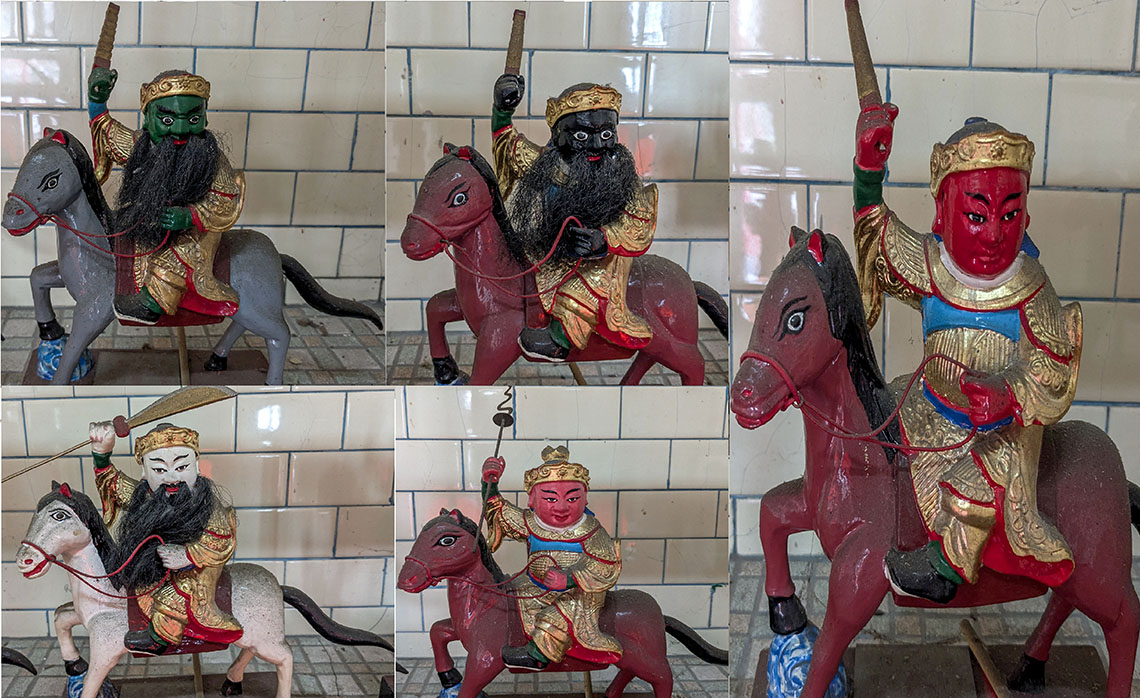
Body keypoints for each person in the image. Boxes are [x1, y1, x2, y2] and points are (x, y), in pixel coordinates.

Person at [852, 105, 1081, 603]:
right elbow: (879, 235)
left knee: (976, 482)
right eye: (976, 216)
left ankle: (946, 567)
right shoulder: (931, 267)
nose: (994, 233)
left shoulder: (1031, 289)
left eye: (1009, 214)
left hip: (998, 433)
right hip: (929, 406)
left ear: (1026, 215)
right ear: (941, 212)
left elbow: (1054, 364)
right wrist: (869, 170)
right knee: (879, 422)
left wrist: (1009, 393)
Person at [491, 73, 657, 361]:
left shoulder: (620, 175)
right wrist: (502, 111)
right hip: (554, 248)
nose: (596, 146)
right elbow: (510, 146)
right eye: (581, 136)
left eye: (606, 135)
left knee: (583, 287)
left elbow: (638, 219)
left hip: (601, 259)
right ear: (558, 136)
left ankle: (560, 339)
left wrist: (602, 239)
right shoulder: (548, 165)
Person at [88, 66, 243, 324]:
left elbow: (226, 201)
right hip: (151, 222)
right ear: (147, 119)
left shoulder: (213, 160)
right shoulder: (141, 146)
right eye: (168, 120)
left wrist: (190, 215)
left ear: (205, 118)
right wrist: (97, 102)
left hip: (194, 230)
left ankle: (153, 302)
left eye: (193, 119)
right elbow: (109, 133)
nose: (181, 130)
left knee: (180, 253)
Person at [88, 421, 241, 654]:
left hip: (195, 570)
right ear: (144, 472)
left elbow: (221, 540)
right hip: (159, 567)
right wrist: (102, 453)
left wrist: (187, 555)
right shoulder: (145, 495)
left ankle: (160, 637)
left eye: (181, 467)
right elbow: (114, 484)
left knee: (177, 593)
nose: (172, 478)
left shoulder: (209, 506)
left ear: (196, 466)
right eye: (159, 470)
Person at [480, 446, 621, 669]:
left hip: (577, 594)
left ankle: (537, 655)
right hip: (534, 586)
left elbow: (606, 565)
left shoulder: (592, 530)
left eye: (572, 498)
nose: (562, 507)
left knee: (555, 617)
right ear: (531, 500)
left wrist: (570, 579)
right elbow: (500, 511)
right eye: (550, 499)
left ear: (585, 499)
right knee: (507, 596)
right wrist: (490, 483)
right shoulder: (530, 522)